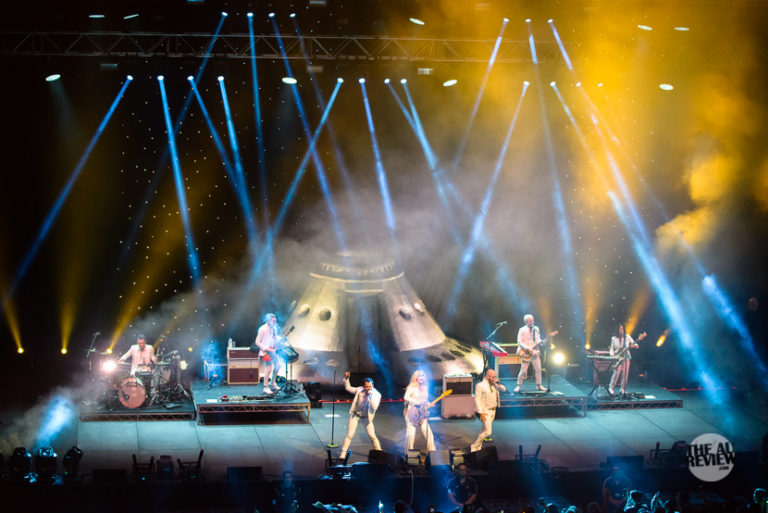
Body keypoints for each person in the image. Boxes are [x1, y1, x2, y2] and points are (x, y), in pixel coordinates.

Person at [339, 371, 382, 460]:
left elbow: (375, 407)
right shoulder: (359, 390)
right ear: (363, 386)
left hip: (366, 418)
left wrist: (370, 398)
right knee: (350, 435)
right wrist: (347, 379)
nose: (368, 388)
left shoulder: (377, 394)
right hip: (355, 416)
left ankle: (380, 453)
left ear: (373, 385)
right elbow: (348, 388)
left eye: (370, 386)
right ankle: (343, 453)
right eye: (366, 386)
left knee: (372, 436)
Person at [471, 369, 506, 452]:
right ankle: (474, 446)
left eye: (495, 377)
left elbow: (504, 389)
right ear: (487, 377)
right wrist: (480, 412)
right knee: (488, 432)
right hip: (485, 411)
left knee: (483, 430)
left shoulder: (495, 385)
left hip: (493, 410)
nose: (494, 378)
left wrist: (497, 383)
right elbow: (477, 399)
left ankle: (478, 446)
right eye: (493, 377)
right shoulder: (480, 385)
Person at [404, 369, 436, 452]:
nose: (421, 377)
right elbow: (406, 397)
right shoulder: (412, 387)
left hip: (422, 412)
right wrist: (417, 402)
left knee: (429, 434)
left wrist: (429, 404)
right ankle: (408, 453)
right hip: (412, 412)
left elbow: (424, 400)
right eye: (419, 376)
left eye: (422, 375)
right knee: (411, 435)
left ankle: (432, 452)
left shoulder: (425, 387)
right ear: (415, 378)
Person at [514, 314, 546, 392]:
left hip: (535, 352)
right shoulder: (522, 330)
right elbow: (519, 342)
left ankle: (539, 385)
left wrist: (542, 342)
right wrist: (528, 349)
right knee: (523, 371)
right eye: (530, 321)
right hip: (526, 352)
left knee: (538, 369)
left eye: (533, 320)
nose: (532, 322)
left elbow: (538, 340)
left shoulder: (536, 329)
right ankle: (518, 385)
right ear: (526, 322)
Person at [609, 324, 640, 396]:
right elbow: (611, 349)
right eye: (620, 329)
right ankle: (611, 388)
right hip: (618, 357)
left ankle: (623, 389)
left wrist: (635, 346)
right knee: (616, 373)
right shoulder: (613, 338)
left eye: (622, 329)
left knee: (625, 374)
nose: (621, 330)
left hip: (626, 357)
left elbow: (636, 345)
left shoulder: (627, 337)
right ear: (617, 330)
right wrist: (612, 356)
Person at [254, 313, 280, 395]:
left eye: (275, 321)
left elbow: (274, 338)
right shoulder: (262, 329)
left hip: (272, 350)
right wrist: (266, 348)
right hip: (264, 351)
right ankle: (266, 387)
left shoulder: (274, 328)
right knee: (269, 367)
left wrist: (277, 343)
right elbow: (257, 342)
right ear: (268, 320)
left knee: (278, 365)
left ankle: (273, 382)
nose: (275, 322)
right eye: (273, 321)